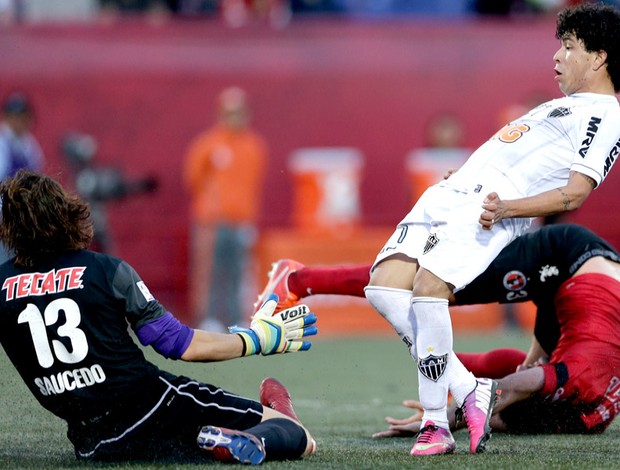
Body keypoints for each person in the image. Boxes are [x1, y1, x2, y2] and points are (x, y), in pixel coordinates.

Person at [363, 3, 620, 456]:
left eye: (569, 46)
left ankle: (435, 424)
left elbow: (575, 193)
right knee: (383, 289)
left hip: (486, 207)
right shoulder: (564, 107)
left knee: (428, 291)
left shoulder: (604, 114)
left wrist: (506, 209)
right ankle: (469, 390)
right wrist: (460, 176)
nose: (557, 56)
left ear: (599, 58)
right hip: (454, 191)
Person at [0, 170, 318, 465]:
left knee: (187, 447)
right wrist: (256, 340)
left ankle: (253, 422)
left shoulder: (1, 284)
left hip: (93, 443)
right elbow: (178, 344)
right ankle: (258, 432)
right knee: (298, 436)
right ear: (64, 212)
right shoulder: (106, 270)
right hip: (154, 406)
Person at [255, 222, 620, 435]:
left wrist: (451, 391)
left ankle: (446, 367)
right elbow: (516, 384)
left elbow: (521, 388)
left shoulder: (589, 417)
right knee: (417, 285)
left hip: (583, 285)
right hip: (569, 259)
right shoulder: (583, 381)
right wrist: (444, 417)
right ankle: (298, 279)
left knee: (523, 371)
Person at [184, 86, 268, 332]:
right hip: (212, 221)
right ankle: (209, 319)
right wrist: (212, 206)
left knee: (238, 273)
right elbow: (193, 179)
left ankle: (235, 319)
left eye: (239, 113)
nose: (235, 118)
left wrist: (247, 217)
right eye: (230, 113)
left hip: (241, 221)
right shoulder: (208, 144)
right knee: (209, 272)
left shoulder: (254, 146)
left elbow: (252, 185)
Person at [0, 91, 45, 263]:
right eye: (15, 116)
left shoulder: (29, 144)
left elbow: (38, 180)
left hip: (22, 222)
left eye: (23, 116)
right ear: (7, 117)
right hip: (4, 222)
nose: (20, 121)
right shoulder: (2, 144)